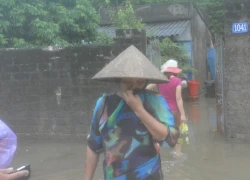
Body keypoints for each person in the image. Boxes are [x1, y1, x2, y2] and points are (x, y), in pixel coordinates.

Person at [84, 45, 179, 180]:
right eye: (128, 81)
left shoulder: (155, 101)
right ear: (120, 80)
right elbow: (93, 146)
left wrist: (139, 110)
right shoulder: (104, 104)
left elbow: (170, 141)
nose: (134, 86)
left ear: (146, 81)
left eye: (139, 82)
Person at [147, 59, 187, 157]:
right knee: (177, 132)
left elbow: (147, 88)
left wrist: (155, 97)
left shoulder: (160, 80)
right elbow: (178, 98)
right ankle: (177, 154)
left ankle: (156, 153)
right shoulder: (177, 81)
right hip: (174, 110)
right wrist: (182, 114)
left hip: (162, 110)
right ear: (175, 71)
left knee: (160, 132)